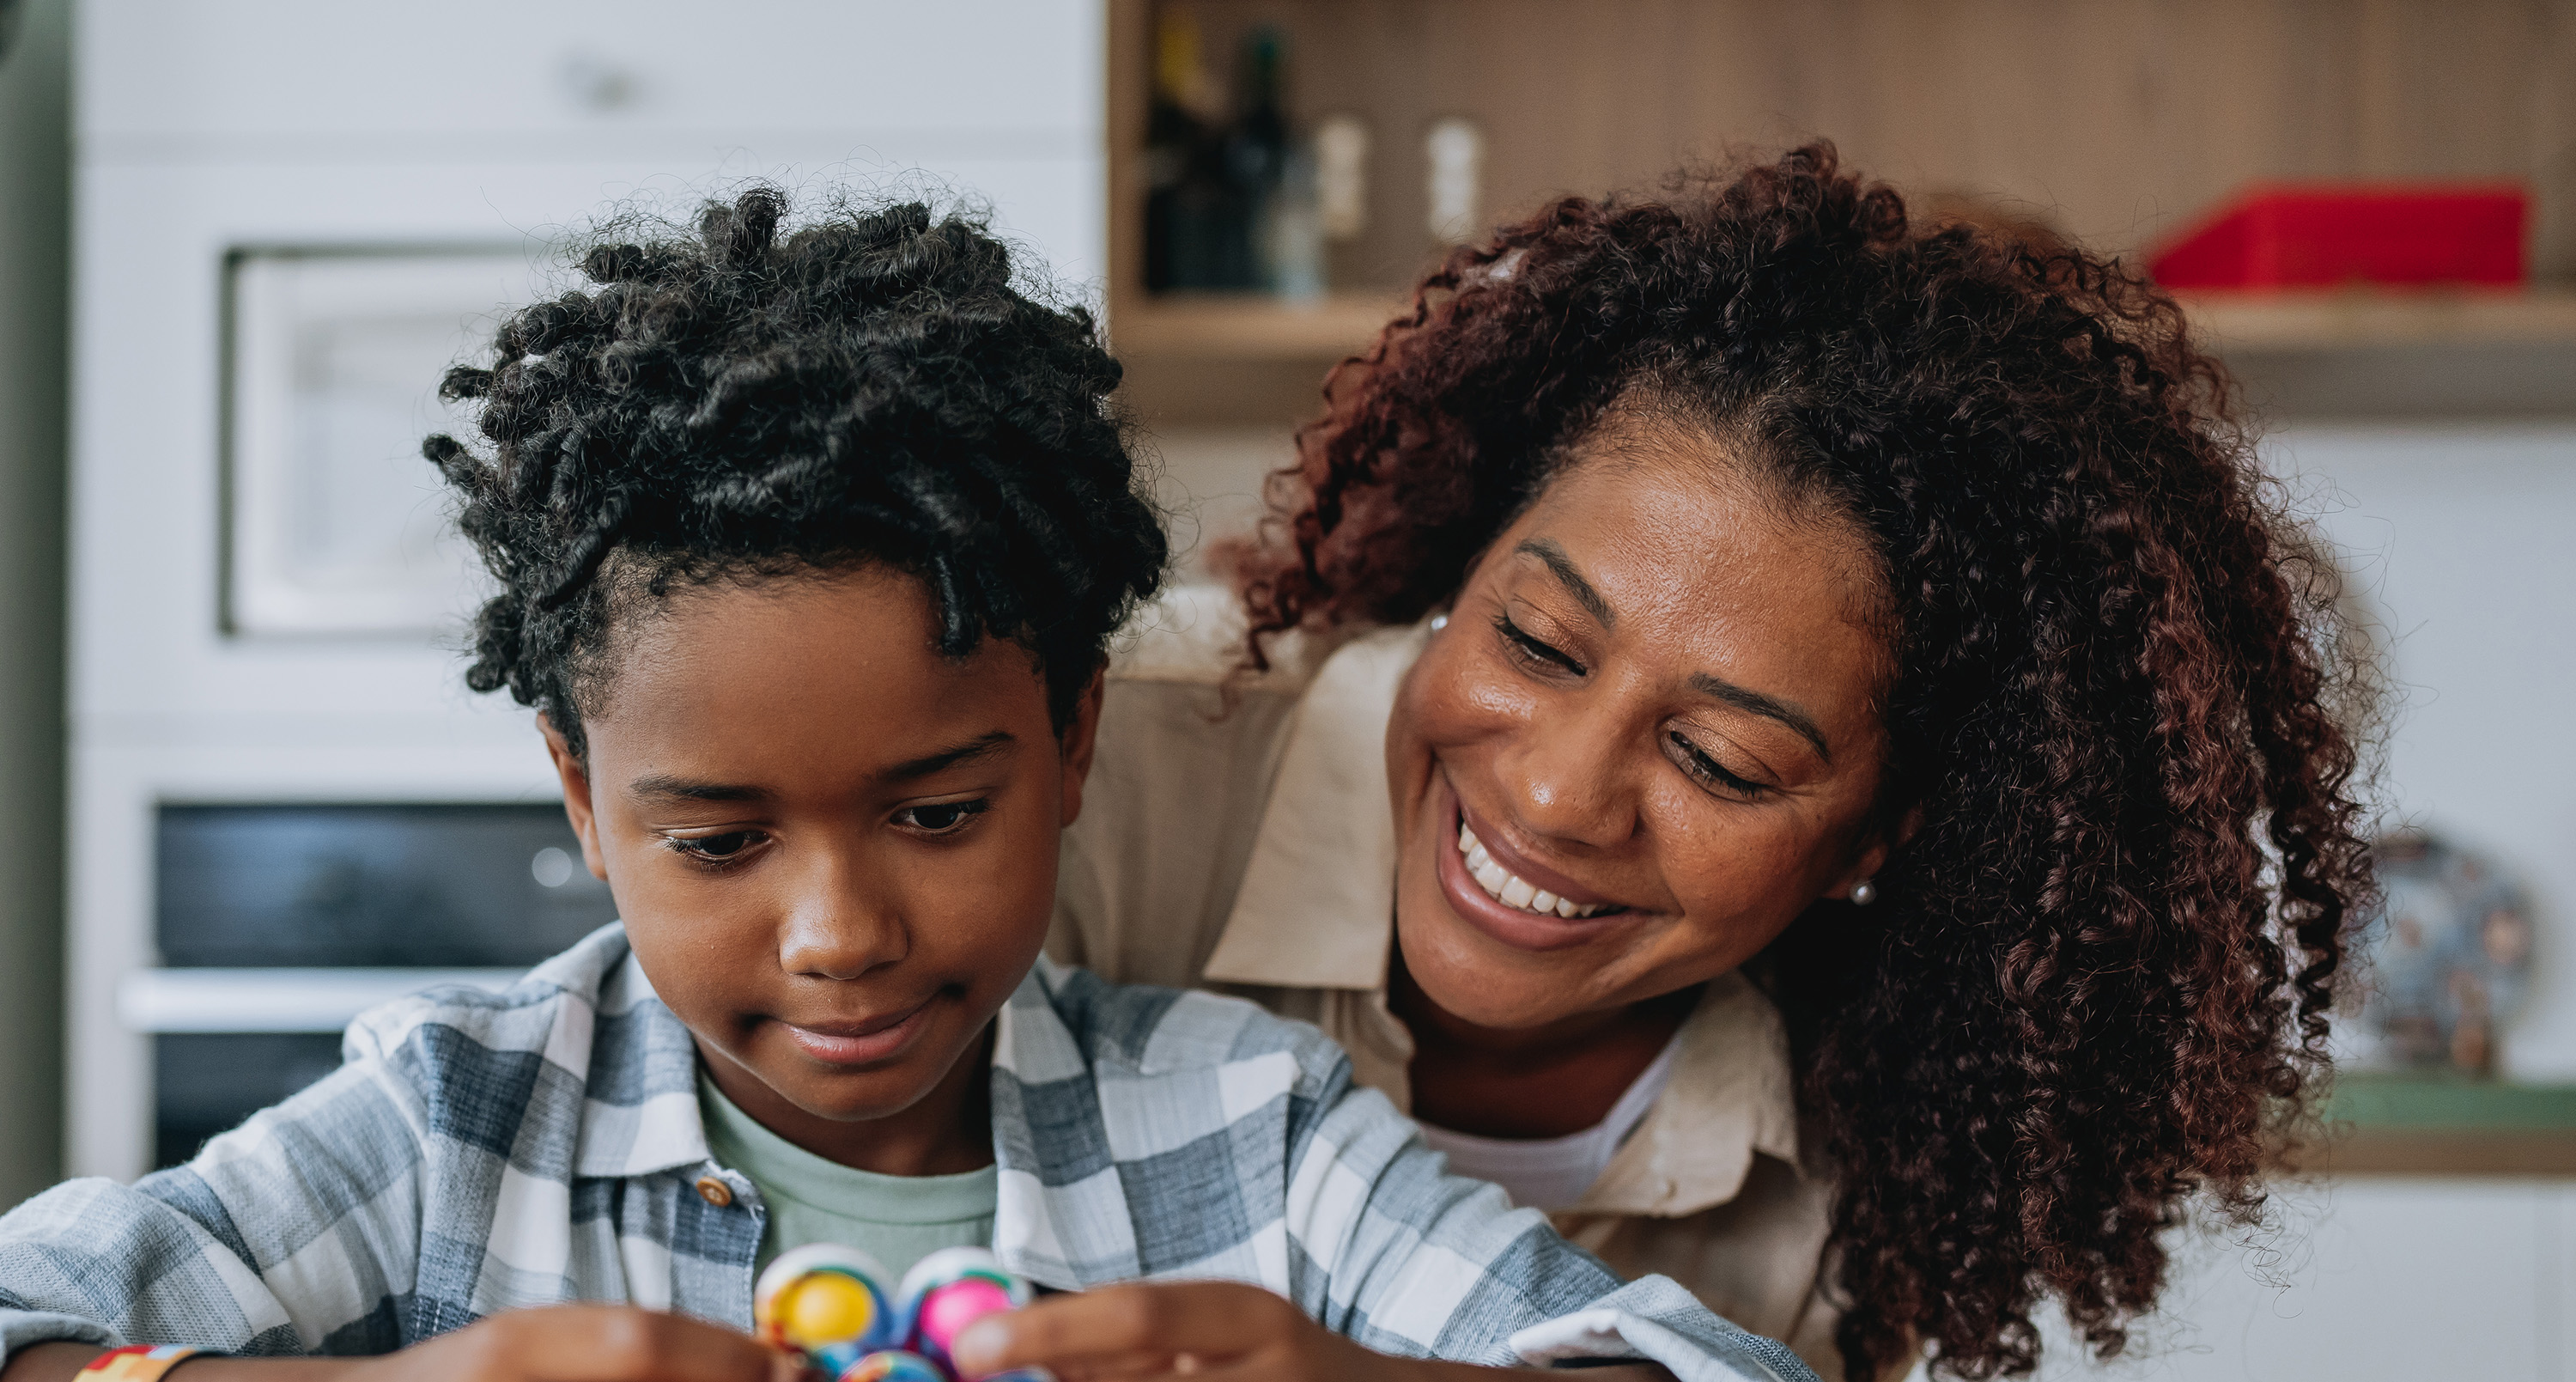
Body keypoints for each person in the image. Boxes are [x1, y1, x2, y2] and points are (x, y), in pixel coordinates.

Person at [0, 190, 1815, 1382]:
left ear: (1076, 739)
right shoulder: (455, 1126)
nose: (839, 933)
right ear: (579, 796)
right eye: (716, 840)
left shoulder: (1248, 1127)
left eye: (938, 813)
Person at [1051, 144, 2376, 1382]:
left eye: (1723, 761)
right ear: (1469, 553)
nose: (1560, 794)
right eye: (1536, 640)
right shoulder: (1086, 773)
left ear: (1877, 839)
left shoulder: (1869, 1154)